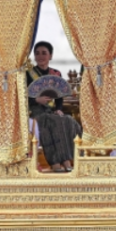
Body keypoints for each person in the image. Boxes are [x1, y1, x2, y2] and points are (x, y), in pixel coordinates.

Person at [27, 41, 81, 173]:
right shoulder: (28, 74)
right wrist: (36, 100)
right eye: (37, 53)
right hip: (34, 110)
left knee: (67, 120)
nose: (40, 56)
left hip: (51, 111)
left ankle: (66, 160)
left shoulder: (56, 74)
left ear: (50, 56)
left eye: (44, 53)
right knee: (48, 121)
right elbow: (22, 97)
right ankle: (56, 162)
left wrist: (58, 109)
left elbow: (59, 97)